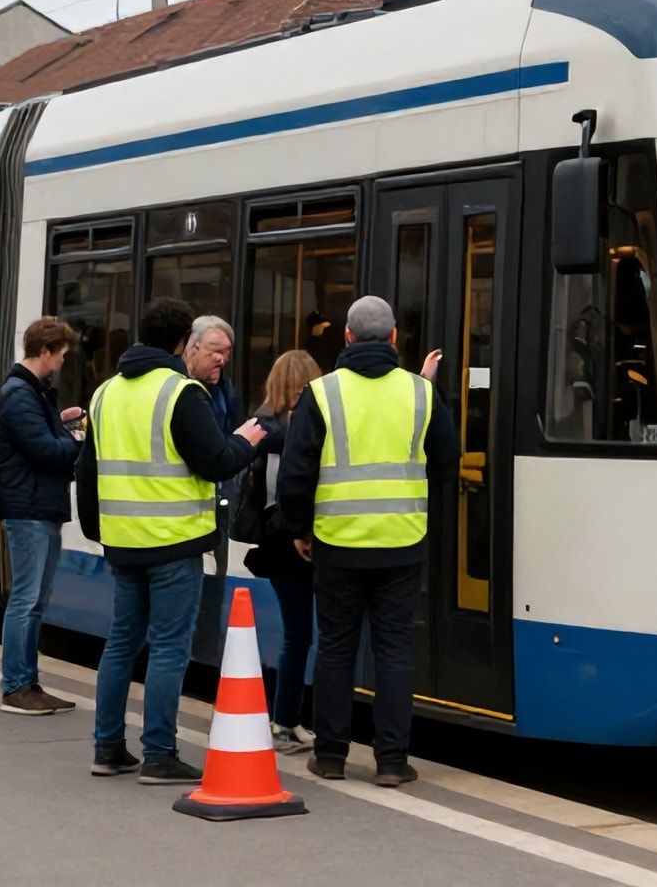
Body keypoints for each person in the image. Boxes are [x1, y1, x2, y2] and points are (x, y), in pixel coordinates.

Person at [77, 298, 264, 783]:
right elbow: (218, 461)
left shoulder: (105, 393)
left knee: (120, 644)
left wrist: (97, 531)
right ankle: (159, 754)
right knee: (167, 649)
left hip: (122, 541)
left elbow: (87, 471)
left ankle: (108, 749)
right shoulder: (181, 393)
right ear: (184, 342)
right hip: (174, 543)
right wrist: (247, 439)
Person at [279, 295, 454, 788]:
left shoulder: (322, 393)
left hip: (337, 543)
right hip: (402, 540)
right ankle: (393, 761)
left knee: (335, 648)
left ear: (348, 338)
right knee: (395, 651)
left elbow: (295, 474)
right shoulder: (421, 393)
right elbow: (446, 461)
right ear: (395, 338)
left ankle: (331, 755)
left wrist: (301, 528)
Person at [0, 317, 83, 716]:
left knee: (35, 601)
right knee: (26, 600)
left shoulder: (31, 394)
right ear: (45, 351)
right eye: (60, 355)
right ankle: (16, 686)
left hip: (40, 506)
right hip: (29, 508)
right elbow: (45, 452)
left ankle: (28, 683)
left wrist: (61, 427)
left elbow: (43, 441)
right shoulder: (19, 395)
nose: (61, 363)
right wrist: (79, 439)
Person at [241, 349, 323, 753]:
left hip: (273, 540)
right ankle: (286, 720)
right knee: (303, 635)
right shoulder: (302, 428)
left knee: (297, 633)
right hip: (297, 538)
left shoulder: (260, 423)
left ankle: (288, 719)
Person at [184, 314, 242, 660]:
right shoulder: (182, 391)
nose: (221, 358)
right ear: (192, 348)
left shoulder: (225, 389)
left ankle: (203, 655)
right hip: (184, 510)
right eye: (215, 350)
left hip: (218, 502)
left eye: (228, 352)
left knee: (213, 586)